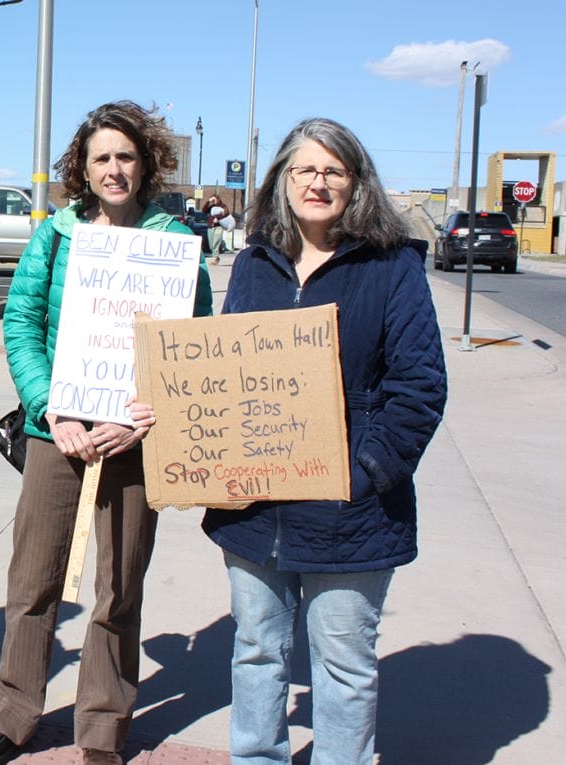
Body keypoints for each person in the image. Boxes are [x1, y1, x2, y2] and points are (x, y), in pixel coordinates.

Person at [0, 101, 214, 765]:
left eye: (126, 156)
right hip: (56, 435)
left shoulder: (177, 244)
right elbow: (21, 326)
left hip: (135, 440)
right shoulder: (57, 235)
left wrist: (146, 415)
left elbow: (194, 346)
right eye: (101, 157)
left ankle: (102, 726)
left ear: (146, 162)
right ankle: (11, 713)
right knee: (34, 579)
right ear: (83, 166)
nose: (114, 168)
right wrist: (55, 411)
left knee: (118, 588)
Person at [202, 117, 446, 764]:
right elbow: (227, 372)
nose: (318, 182)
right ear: (283, 179)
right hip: (255, 508)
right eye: (305, 169)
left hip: (351, 510)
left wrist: (365, 472)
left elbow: (418, 388)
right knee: (256, 649)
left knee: (343, 664)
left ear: (356, 183)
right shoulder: (255, 263)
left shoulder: (392, 267)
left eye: (333, 170)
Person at [202, 194, 232, 260]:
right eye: (212, 200)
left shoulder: (223, 206)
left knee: (216, 242)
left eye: (214, 199)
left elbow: (226, 214)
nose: (213, 201)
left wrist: (218, 218)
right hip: (210, 227)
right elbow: (204, 211)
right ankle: (216, 257)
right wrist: (208, 202)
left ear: (218, 199)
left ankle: (215, 258)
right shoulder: (211, 206)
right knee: (211, 245)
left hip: (218, 227)